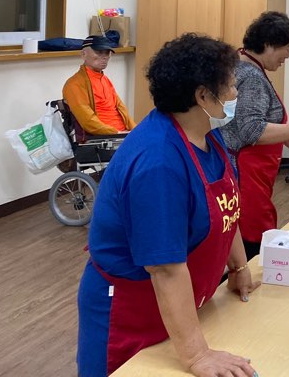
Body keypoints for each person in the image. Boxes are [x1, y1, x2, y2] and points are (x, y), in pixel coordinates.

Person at [77, 34, 259, 377]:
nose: (236, 93)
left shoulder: (208, 135)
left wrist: (238, 268)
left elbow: (226, 211)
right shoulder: (158, 162)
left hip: (183, 307)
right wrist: (197, 356)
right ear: (203, 95)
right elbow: (164, 268)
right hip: (133, 309)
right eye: (231, 85)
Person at [220, 12, 289, 260]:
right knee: (251, 240)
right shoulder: (251, 76)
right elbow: (251, 130)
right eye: (286, 48)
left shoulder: (242, 66)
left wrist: (283, 135)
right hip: (246, 174)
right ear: (268, 44)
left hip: (248, 169)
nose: (287, 56)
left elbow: (245, 123)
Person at [62, 34, 135, 136]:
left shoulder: (105, 79)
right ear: (83, 54)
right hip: (106, 137)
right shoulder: (74, 84)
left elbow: (123, 111)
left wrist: (136, 132)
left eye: (107, 52)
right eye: (99, 52)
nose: (104, 57)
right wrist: (117, 133)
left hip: (124, 135)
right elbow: (88, 122)